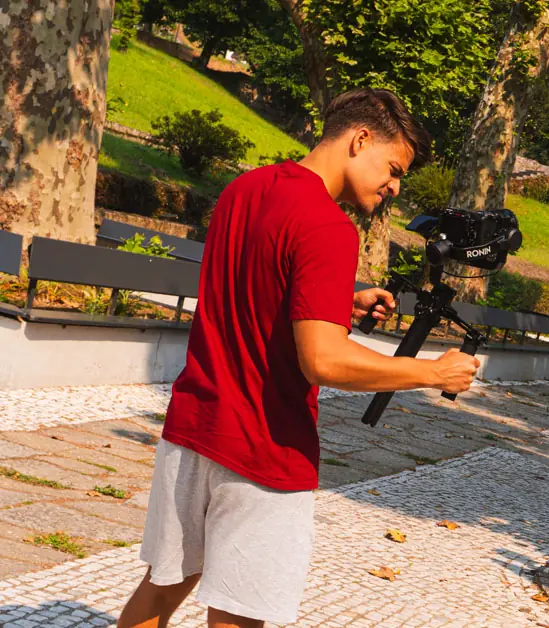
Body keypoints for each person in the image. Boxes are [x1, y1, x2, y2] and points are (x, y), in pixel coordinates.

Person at [116, 88, 481, 628]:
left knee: (163, 586)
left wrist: (341, 298)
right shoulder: (331, 227)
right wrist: (431, 371)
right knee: (239, 614)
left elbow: (255, 280)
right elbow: (324, 362)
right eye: (394, 168)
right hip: (264, 448)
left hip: (194, 426)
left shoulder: (246, 187)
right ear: (360, 140)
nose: (394, 187)